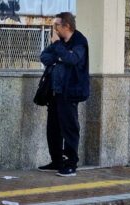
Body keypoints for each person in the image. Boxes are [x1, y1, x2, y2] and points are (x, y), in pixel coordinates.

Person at [38, 12, 89, 177]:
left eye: (56, 26)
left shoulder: (79, 42)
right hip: (54, 92)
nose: (54, 29)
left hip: (70, 93)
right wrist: (60, 57)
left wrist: (59, 51)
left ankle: (71, 164)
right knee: (53, 129)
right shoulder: (58, 43)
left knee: (69, 129)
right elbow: (44, 56)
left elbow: (72, 60)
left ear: (66, 26)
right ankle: (56, 161)